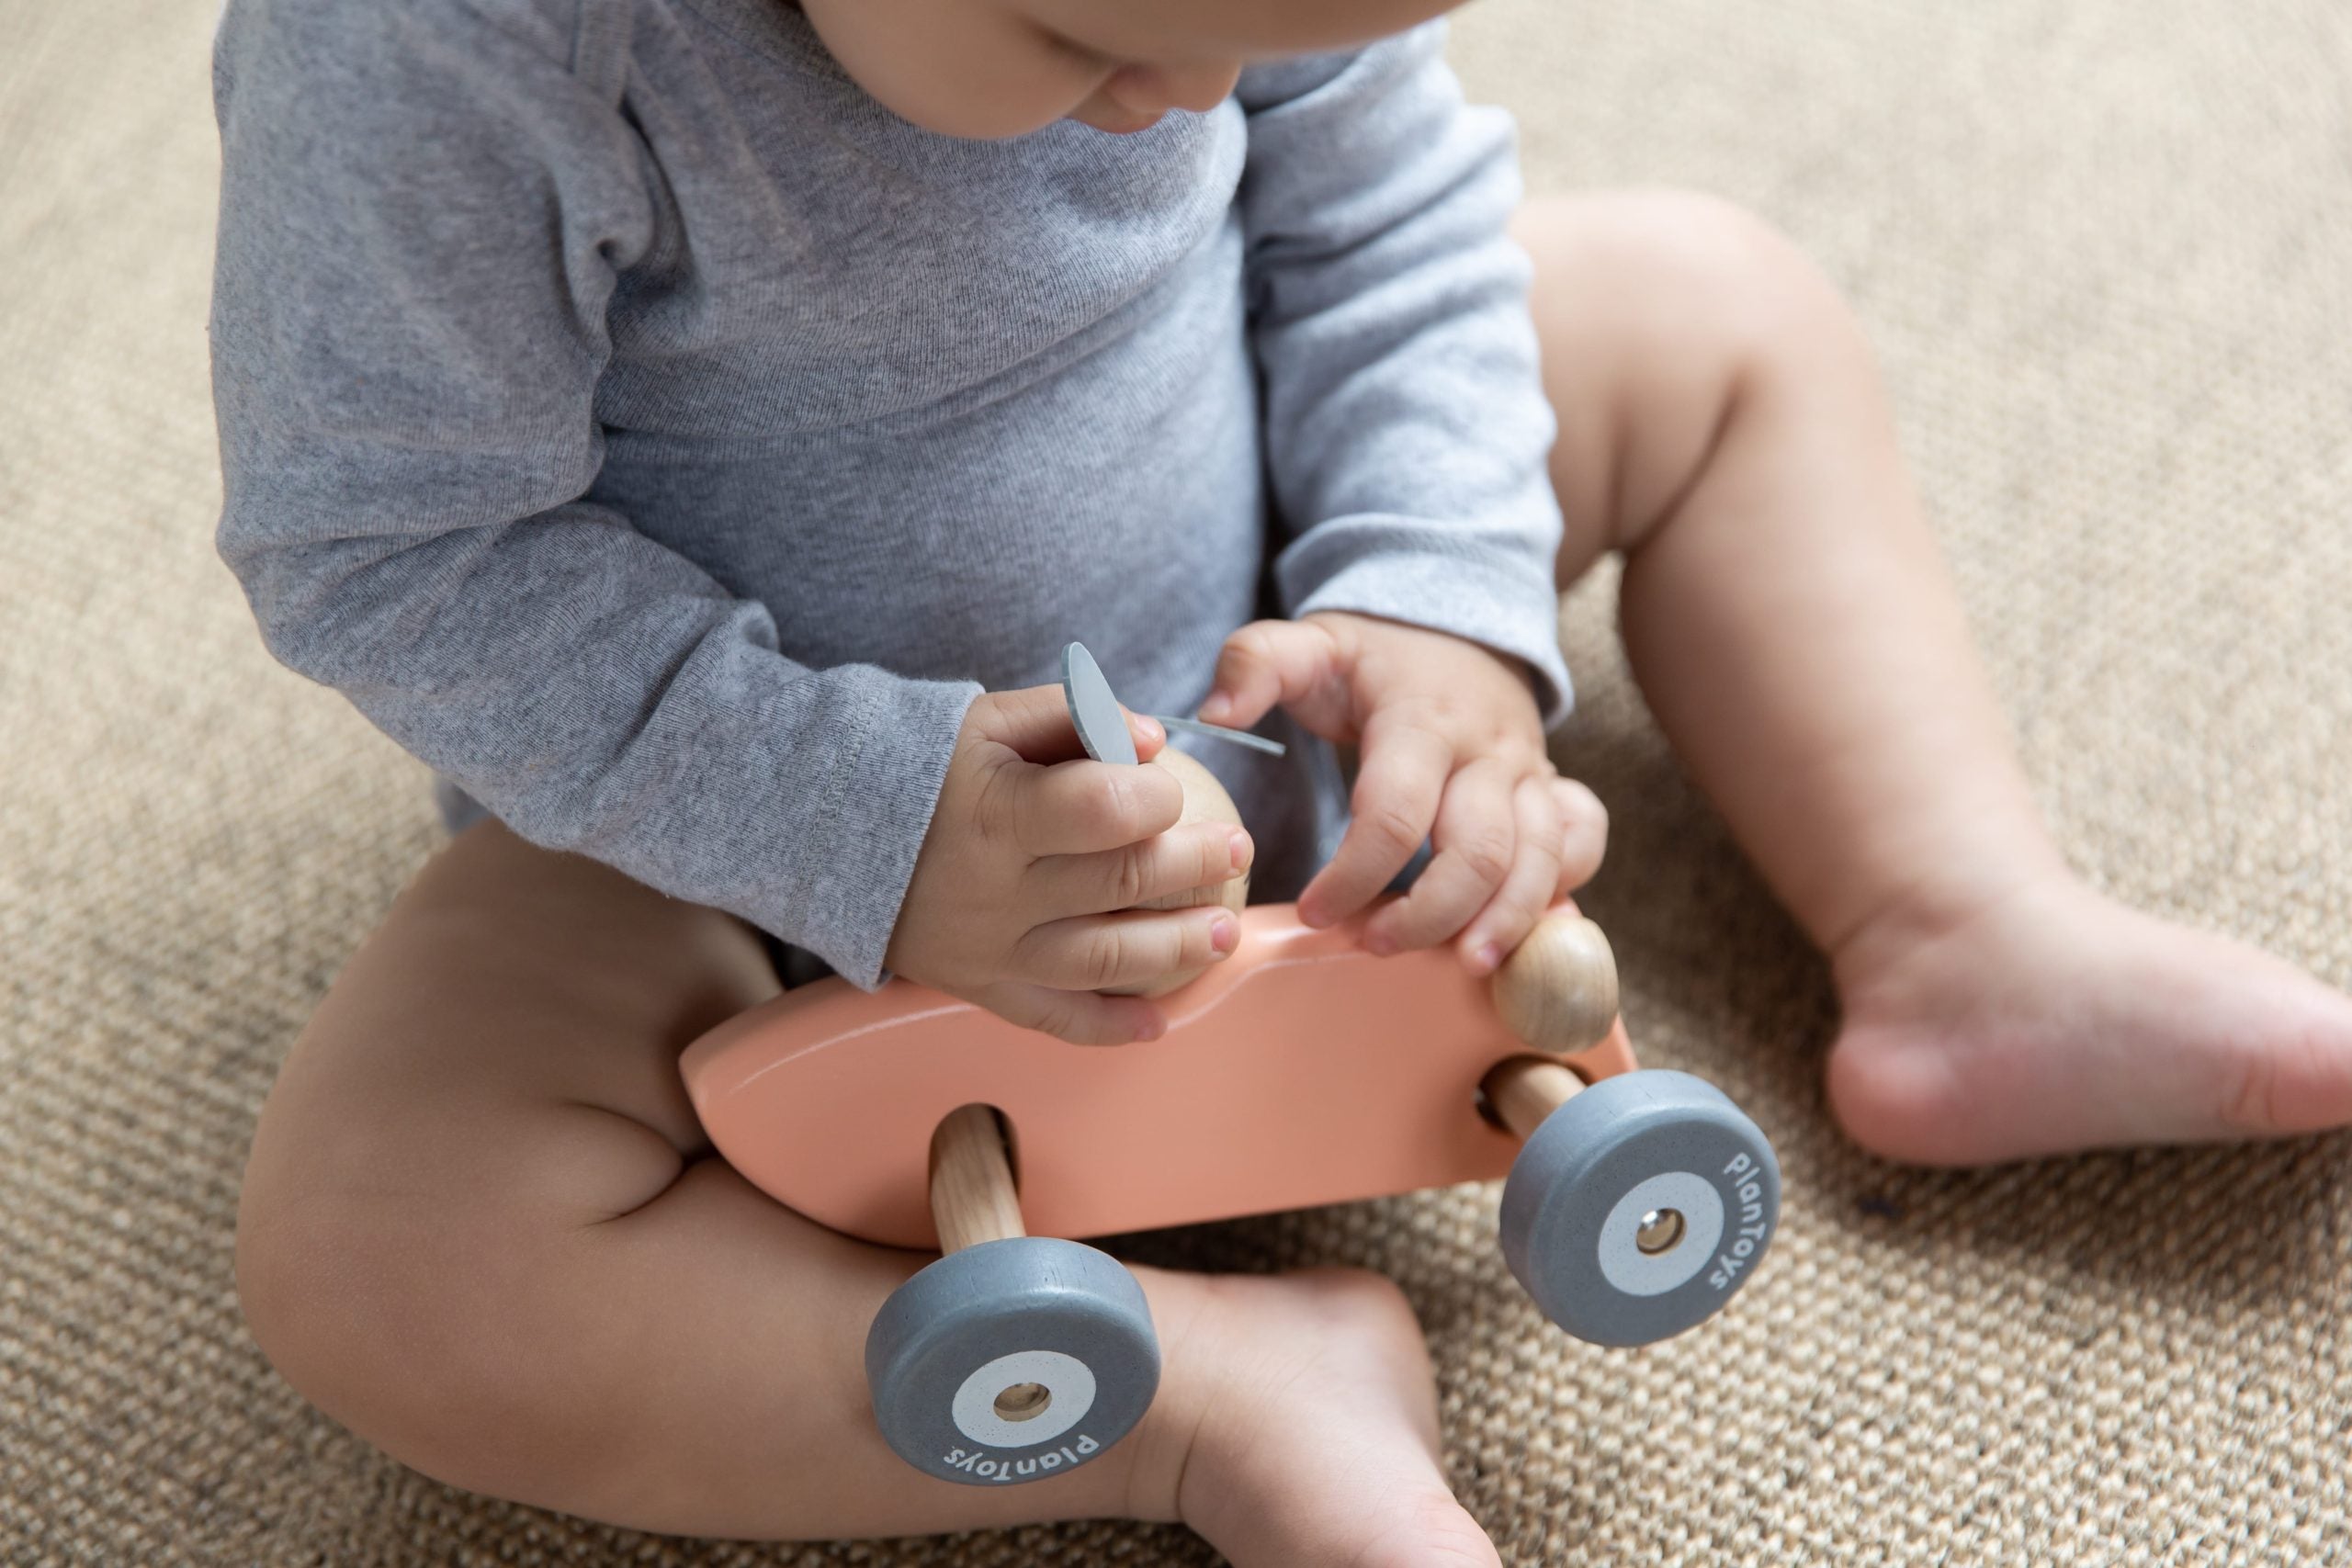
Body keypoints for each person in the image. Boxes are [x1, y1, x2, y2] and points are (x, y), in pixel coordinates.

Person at [209, 0, 2352, 1562]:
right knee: (380, 1252)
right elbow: (395, 548)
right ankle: (1212, 1394)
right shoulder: (439, 50)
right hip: (747, 848)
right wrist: (865, 824)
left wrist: (1435, 603)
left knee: (1711, 302)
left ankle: (1953, 925)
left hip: (1266, 615)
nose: (1190, 106)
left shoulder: (1204, 28)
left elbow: (1382, 220)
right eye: (1085, 43)